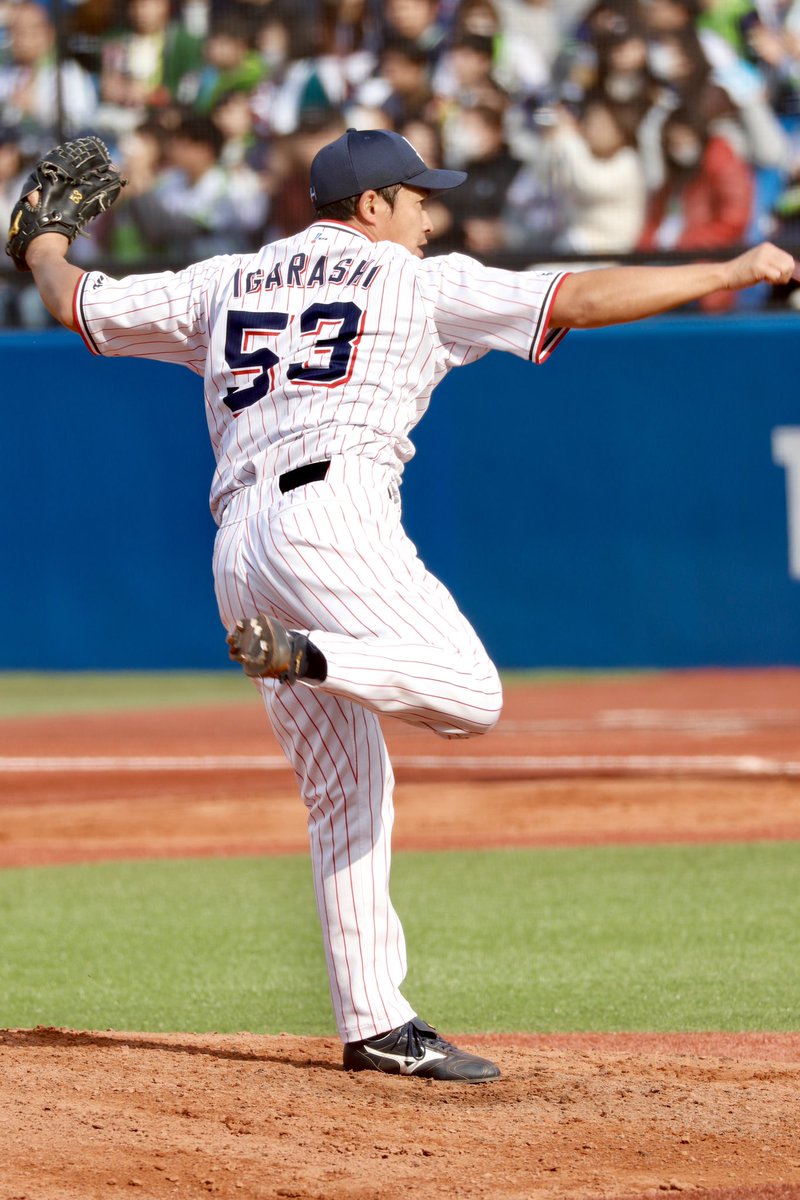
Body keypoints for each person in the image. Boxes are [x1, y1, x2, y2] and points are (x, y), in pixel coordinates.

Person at [20, 127, 795, 1081]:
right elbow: (581, 297)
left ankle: (375, 1023)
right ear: (372, 207)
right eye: (418, 198)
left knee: (345, 790)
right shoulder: (413, 283)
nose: (433, 214)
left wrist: (39, 241)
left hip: (238, 545)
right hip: (332, 520)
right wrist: (733, 264)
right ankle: (311, 654)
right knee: (471, 694)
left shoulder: (220, 280)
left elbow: (72, 305)